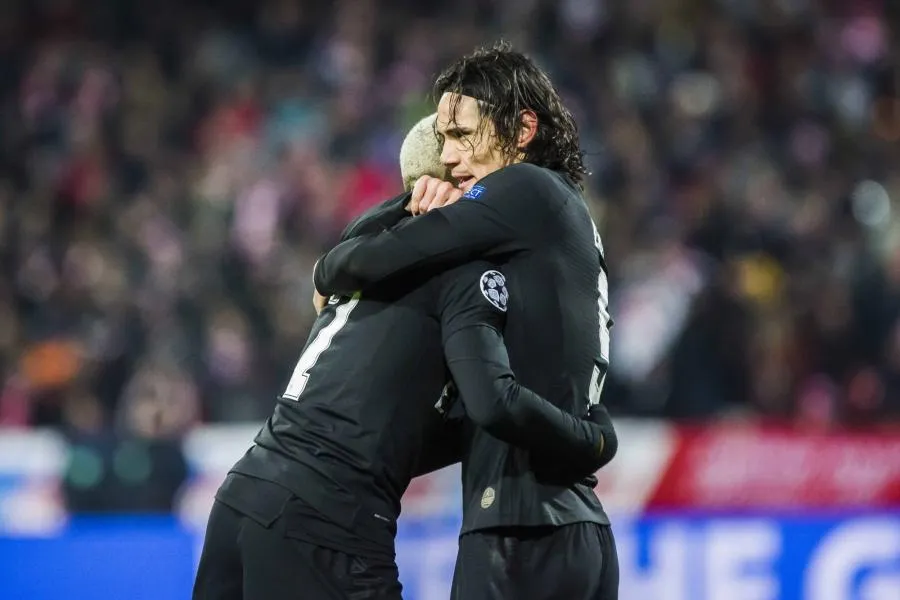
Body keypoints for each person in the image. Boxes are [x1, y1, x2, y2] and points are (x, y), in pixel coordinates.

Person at [192, 115, 617, 600]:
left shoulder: (366, 249)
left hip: (244, 492)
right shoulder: (460, 268)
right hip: (329, 518)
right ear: (454, 185)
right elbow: (492, 401)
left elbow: (402, 423)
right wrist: (592, 438)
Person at [313, 41, 619, 599]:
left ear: (523, 130)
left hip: (517, 538)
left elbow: (357, 263)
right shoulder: (556, 216)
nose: (448, 158)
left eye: (461, 136)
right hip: (578, 534)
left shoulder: (523, 188)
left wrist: (400, 209)